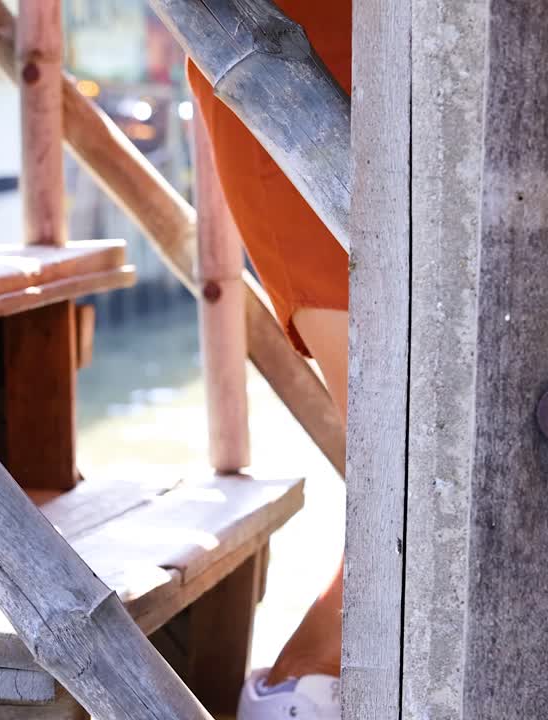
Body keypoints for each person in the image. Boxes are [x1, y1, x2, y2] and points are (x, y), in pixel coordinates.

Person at [186, 2, 351, 718]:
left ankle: (301, 681)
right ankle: (301, 685)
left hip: (408, 48)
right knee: (427, 457)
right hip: (288, 55)